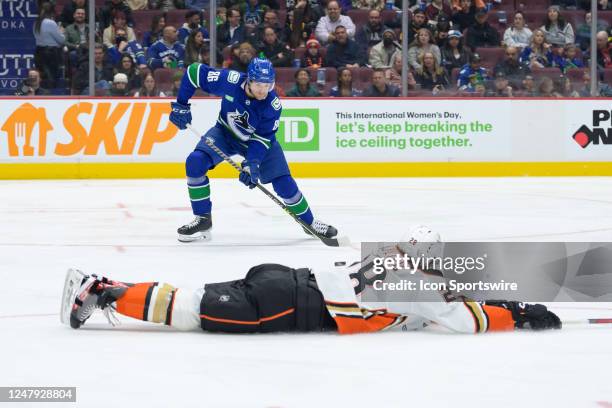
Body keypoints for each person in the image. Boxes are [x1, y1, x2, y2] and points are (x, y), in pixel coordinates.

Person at [61, 225, 562, 335]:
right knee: (197, 311)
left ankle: (110, 286)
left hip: (285, 281)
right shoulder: (419, 286)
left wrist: (497, 302)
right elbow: (462, 320)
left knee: (196, 298)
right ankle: (104, 291)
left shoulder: (392, 260)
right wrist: (511, 316)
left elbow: (435, 307)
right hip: (292, 302)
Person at [168, 58, 339, 241]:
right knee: (195, 162)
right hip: (225, 133)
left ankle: (309, 222)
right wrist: (181, 105)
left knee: (284, 184)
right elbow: (194, 71)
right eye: (258, 84)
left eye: (267, 85)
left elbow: (262, 139)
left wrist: (252, 164)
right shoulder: (229, 80)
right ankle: (203, 218)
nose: (263, 90)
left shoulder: (273, 105)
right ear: (248, 80)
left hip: (259, 142)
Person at [33, 2, 65, 89]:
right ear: (51, 11)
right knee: (51, 77)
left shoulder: (36, 23)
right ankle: (50, 95)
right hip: (51, 53)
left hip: (39, 52)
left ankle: (43, 94)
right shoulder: (51, 23)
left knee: (43, 77)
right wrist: (61, 32)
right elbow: (62, 40)